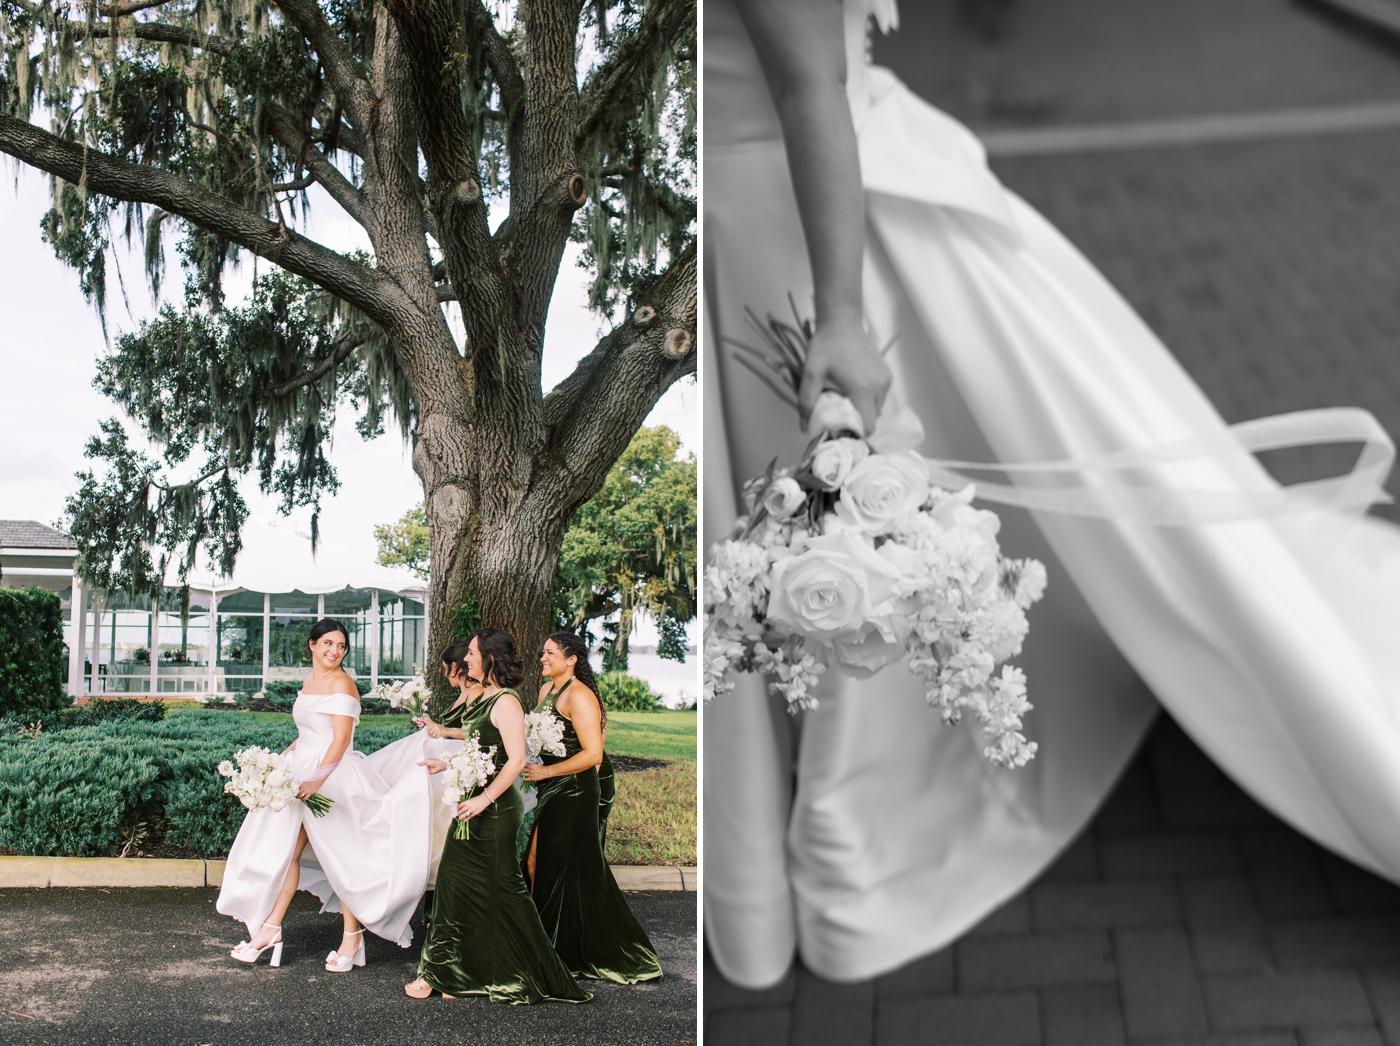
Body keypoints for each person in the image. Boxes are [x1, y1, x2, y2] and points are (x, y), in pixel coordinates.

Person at [706, 0, 1400, 990]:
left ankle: (857, 816)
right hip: (753, 212)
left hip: (795, 224)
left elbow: (808, 84)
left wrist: (842, 313)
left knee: (865, 522)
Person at [217, 618, 426, 971]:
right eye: (328, 643)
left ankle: (352, 938)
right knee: (288, 852)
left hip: (333, 776)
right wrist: (280, 761)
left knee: (340, 857)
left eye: (341, 646)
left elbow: (341, 740)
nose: (335, 651)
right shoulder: (310, 681)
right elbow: (307, 733)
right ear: (311, 646)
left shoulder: (343, 684)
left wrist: (317, 779)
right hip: (298, 773)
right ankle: (270, 930)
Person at [405, 629, 592, 1004]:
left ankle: (522, 972)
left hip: (493, 810)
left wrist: (484, 799)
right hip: (473, 803)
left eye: (473, 653)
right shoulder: (485, 696)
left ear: (490, 658)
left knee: (503, 889)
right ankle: (456, 971)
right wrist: (448, 762)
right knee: (458, 888)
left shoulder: (506, 701)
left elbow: (516, 759)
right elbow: (486, 752)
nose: (467, 659)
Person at [521, 633, 663, 983]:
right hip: (550, 784)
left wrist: (546, 771)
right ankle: (545, 939)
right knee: (539, 861)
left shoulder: (580, 696)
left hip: (573, 788)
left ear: (571, 659)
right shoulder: (546, 692)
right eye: (543, 653)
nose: (543, 658)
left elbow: (593, 754)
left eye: (550, 653)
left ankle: (558, 947)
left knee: (551, 861)